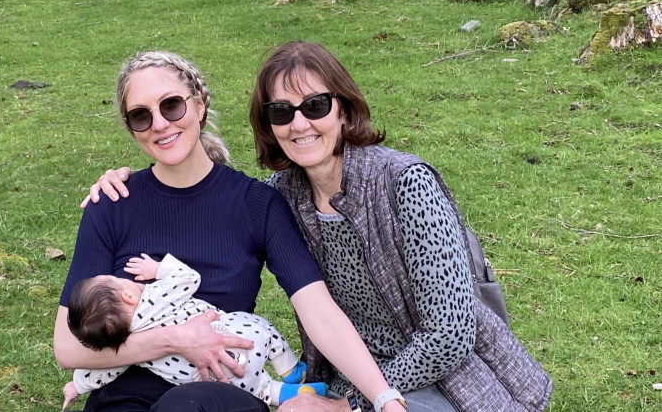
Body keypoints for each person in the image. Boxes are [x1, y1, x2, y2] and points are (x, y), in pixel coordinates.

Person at [88, 42, 553, 412]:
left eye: (314, 105)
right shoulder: (283, 195)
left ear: (344, 109)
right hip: (348, 375)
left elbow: (449, 336)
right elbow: (211, 188)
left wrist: (351, 399)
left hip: (449, 381)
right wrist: (130, 181)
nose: (299, 124)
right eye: (281, 112)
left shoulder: (406, 183)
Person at [56, 50, 409, 412]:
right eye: (141, 116)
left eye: (172, 105)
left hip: (222, 388)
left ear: (200, 104)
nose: (160, 124)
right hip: (124, 394)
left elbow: (319, 311)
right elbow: (68, 348)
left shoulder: (257, 204)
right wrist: (174, 340)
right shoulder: (113, 203)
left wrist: (384, 398)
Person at [61, 252, 327, 410]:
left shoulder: (127, 346)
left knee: (261, 389)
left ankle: (292, 394)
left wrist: (76, 385)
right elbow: (189, 278)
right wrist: (157, 269)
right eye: (117, 279)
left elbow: (101, 372)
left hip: (214, 376)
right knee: (265, 333)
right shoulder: (155, 297)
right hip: (237, 335)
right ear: (128, 295)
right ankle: (293, 370)